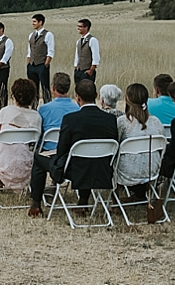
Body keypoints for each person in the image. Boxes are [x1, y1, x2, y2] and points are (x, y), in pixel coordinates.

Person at [28, 80, 118, 217]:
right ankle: (82, 201)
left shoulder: (71, 119)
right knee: (87, 158)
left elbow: (62, 150)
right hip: (103, 168)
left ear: (77, 97)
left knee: (39, 159)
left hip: (76, 170)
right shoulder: (110, 119)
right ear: (96, 95)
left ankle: (35, 204)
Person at [0, 78, 42, 189]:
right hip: (26, 163)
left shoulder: (5, 112)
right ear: (33, 98)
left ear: (13, 96)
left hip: (2, 160)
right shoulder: (36, 117)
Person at [115, 83, 165, 201]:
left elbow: (115, 146)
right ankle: (141, 194)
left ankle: (115, 201)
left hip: (127, 172)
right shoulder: (156, 122)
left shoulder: (122, 122)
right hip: (152, 170)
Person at [38, 72, 79, 151]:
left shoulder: (43, 109)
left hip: (48, 150)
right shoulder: (77, 109)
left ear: (53, 88)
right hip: (70, 151)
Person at [26, 13, 55, 107]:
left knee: (45, 87)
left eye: (34, 21)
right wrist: (28, 63)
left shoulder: (48, 34)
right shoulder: (31, 35)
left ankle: (48, 106)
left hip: (42, 64)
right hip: (32, 65)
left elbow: (50, 51)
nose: (32, 23)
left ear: (40, 22)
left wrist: (46, 64)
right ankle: (34, 106)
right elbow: (29, 50)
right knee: (33, 88)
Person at [73, 18, 99, 86]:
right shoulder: (78, 41)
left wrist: (91, 70)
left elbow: (95, 56)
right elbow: (77, 55)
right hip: (78, 71)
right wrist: (75, 67)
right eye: (78, 26)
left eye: (80, 26)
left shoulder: (92, 40)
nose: (78, 28)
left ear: (86, 27)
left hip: (87, 71)